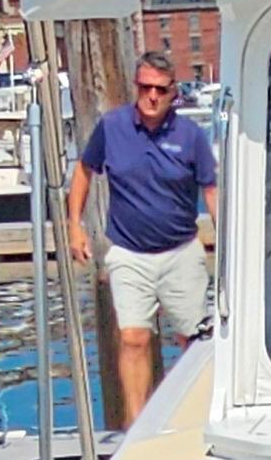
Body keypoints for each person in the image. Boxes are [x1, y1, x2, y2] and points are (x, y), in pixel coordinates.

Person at [68, 55, 217, 418]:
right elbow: (85, 171)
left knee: (193, 342)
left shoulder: (191, 137)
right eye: (144, 87)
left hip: (180, 251)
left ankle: (191, 418)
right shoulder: (112, 127)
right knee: (133, 339)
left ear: (173, 93)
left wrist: (226, 235)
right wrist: (75, 225)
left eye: (160, 90)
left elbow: (210, 188)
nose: (151, 96)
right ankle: (135, 427)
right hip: (129, 252)